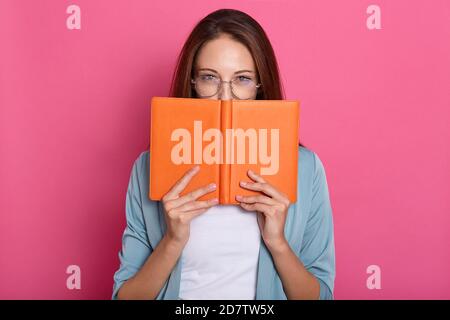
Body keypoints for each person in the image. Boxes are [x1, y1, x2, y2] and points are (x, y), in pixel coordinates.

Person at [112, 8, 335, 300]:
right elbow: (123, 297)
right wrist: (172, 240)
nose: (225, 97)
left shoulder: (305, 169)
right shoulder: (149, 167)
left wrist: (277, 242)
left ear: (260, 85)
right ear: (192, 83)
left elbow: (323, 296)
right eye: (209, 78)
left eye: (242, 79)